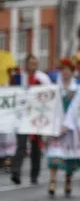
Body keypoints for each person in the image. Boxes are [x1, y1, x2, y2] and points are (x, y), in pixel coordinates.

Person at [45, 59, 80, 197]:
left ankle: (68, 181)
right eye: (63, 70)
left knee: (69, 157)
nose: (65, 73)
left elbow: (75, 108)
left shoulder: (76, 89)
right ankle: (52, 181)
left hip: (70, 126)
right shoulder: (55, 88)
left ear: (72, 72)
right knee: (54, 154)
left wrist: (67, 125)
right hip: (56, 124)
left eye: (68, 70)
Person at [11, 55, 52, 186]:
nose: (33, 66)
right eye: (30, 63)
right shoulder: (19, 77)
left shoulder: (43, 78)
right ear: (26, 64)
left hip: (37, 116)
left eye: (35, 63)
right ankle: (15, 172)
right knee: (21, 146)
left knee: (36, 147)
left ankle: (34, 175)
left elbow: (50, 94)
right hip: (22, 116)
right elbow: (12, 93)